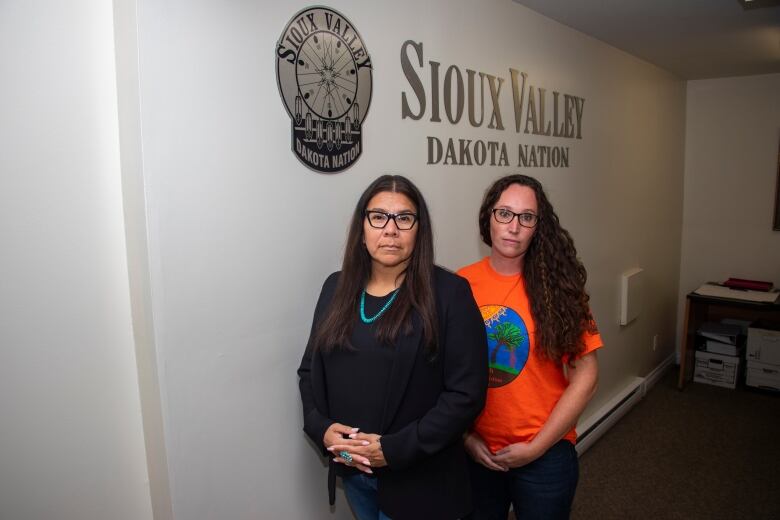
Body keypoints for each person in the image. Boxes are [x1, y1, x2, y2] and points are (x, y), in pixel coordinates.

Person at [298, 174, 487, 520]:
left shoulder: (450, 294)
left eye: (404, 218)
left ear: (419, 230)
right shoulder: (335, 288)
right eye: (378, 217)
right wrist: (320, 426)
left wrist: (393, 449)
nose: (390, 230)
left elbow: (466, 394)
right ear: (362, 229)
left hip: (421, 483)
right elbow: (309, 370)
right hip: (355, 476)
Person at [457, 174, 602, 520]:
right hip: (477, 451)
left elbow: (587, 375)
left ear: (538, 226)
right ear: (488, 217)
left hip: (546, 453)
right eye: (504, 213)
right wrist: (465, 438)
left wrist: (537, 447)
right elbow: (443, 371)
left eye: (526, 217)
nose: (514, 227)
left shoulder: (560, 289)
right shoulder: (459, 285)